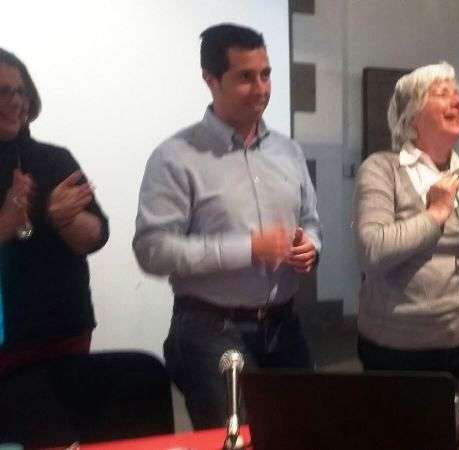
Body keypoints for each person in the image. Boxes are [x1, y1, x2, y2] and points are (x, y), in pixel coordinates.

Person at [133, 24, 321, 429]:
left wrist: (311, 246)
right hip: (210, 330)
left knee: (301, 432)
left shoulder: (288, 151)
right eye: (246, 77)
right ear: (211, 80)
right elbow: (152, 250)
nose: (261, 88)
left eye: (266, 74)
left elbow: (309, 220)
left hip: (284, 325)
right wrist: (248, 248)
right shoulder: (175, 157)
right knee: (231, 439)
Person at [354, 62, 459, 394]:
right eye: (442, 93)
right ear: (411, 117)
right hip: (399, 348)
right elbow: (372, 251)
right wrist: (436, 213)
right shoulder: (382, 169)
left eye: (458, 94)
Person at [0, 48, 109, 377]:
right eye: (3, 91)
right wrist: (6, 224)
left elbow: (97, 236)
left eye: (21, 92)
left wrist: (64, 219)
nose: (16, 101)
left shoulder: (55, 160)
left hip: (61, 332)